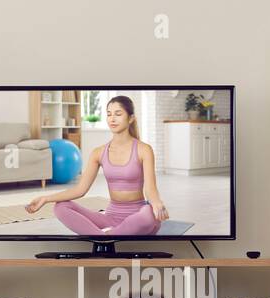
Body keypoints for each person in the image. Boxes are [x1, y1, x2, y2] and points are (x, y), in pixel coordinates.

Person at [24, 95, 168, 236]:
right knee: (61, 207)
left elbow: (150, 189)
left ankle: (103, 237)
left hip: (138, 218)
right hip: (110, 219)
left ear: (130, 118)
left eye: (118, 114)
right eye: (109, 114)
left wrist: (156, 203)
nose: (112, 119)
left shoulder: (144, 149)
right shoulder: (98, 153)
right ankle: (108, 236)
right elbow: (80, 189)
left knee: (149, 214)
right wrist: (45, 198)